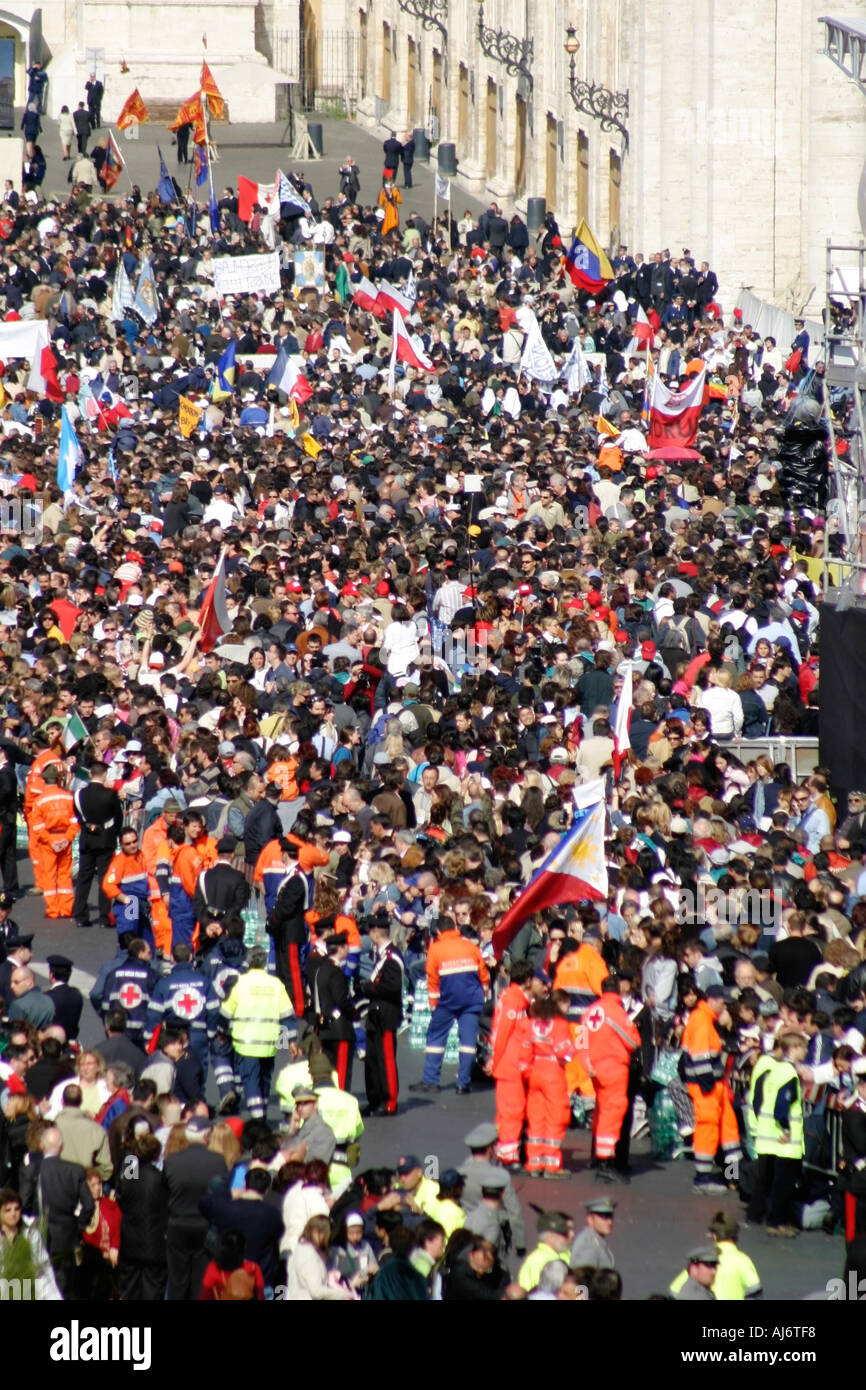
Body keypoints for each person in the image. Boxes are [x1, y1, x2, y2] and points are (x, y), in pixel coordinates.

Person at [412, 915, 489, 1096]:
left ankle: (431, 1081)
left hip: (447, 1001)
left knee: (436, 1038)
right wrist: (482, 994)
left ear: (438, 931)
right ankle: (463, 1083)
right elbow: (483, 974)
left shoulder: (436, 949)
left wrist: (433, 1005)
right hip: (471, 1000)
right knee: (468, 1042)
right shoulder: (470, 946)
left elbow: (432, 978)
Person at [219, 945, 296, 1117]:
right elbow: (287, 1016)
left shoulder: (241, 983)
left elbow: (225, 1012)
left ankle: (257, 1117)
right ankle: (262, 1112)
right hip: (269, 1044)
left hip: (245, 1045)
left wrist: (222, 1031)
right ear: (265, 962)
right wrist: (291, 1041)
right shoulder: (276, 984)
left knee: (250, 1081)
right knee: (264, 1081)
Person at [19, 1125, 94, 1298]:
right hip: (67, 1235)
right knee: (64, 1286)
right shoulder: (75, 1170)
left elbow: (24, 1203)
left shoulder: (31, 1170)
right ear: (61, 1146)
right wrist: (78, 1227)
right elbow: (89, 1205)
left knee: (39, 1284)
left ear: (42, 1146)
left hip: (38, 1232)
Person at [681, 983, 742, 1192]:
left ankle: (732, 1176)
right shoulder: (702, 1021)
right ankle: (703, 1179)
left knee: (729, 1129)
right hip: (706, 1086)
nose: (725, 1008)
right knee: (707, 1129)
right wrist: (707, 1084)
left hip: (715, 1086)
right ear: (713, 1001)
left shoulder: (706, 1020)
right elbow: (699, 1055)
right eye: (723, 1003)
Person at [579, 978, 641, 1182]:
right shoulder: (616, 1011)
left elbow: (581, 1041)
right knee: (612, 1113)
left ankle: (597, 1157)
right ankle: (606, 1163)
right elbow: (633, 1041)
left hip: (595, 1068)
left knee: (601, 1111)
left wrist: (587, 1065)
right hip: (613, 1068)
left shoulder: (589, 1011)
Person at [360, 918, 404, 1117]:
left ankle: (389, 1101)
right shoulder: (381, 955)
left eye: (371, 932)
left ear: (378, 933)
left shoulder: (391, 957)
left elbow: (393, 986)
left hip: (386, 1013)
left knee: (385, 1059)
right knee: (372, 1059)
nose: (369, 935)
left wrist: (369, 988)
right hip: (376, 1013)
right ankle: (375, 1098)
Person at [73, 761, 123, 930]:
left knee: (83, 878)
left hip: (87, 838)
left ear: (90, 775)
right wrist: (114, 834)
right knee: (104, 878)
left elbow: (78, 816)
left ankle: (80, 915)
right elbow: (118, 818)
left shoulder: (79, 794)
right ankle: (103, 916)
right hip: (105, 839)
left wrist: (88, 827)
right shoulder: (110, 795)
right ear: (104, 775)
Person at [285, 1214, 359, 1300]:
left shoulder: (300, 1249)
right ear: (316, 1232)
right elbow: (317, 1291)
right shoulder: (309, 1255)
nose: (328, 1239)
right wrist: (346, 1294)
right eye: (327, 1235)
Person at [517, 1210, 573, 1291]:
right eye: (565, 1234)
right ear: (551, 1237)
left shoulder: (564, 1254)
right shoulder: (537, 1262)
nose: (570, 1236)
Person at [569, 1198, 617, 1269]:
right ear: (590, 1219)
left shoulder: (597, 1241)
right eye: (604, 1216)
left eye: (610, 1216)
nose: (609, 1222)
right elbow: (582, 1277)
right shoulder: (588, 1246)